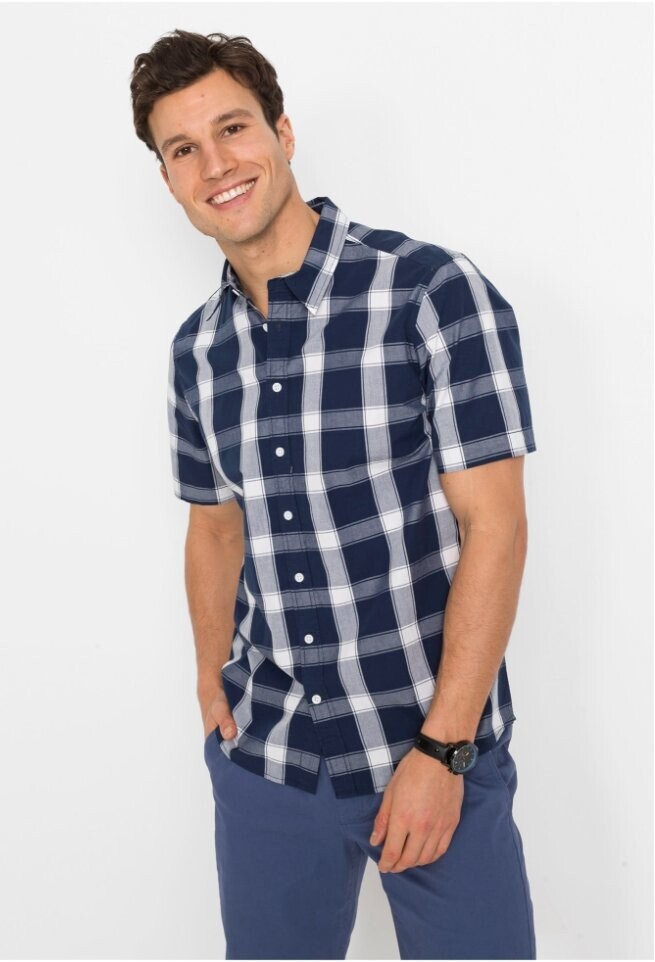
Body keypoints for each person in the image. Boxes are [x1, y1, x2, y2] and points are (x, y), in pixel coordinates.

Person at [130, 29, 538, 961]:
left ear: (282, 133)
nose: (215, 165)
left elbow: (496, 527)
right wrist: (210, 681)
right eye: (183, 149)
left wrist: (443, 752)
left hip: (435, 750)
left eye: (232, 129)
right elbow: (214, 526)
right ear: (167, 179)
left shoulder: (430, 292)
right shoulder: (196, 351)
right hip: (270, 764)